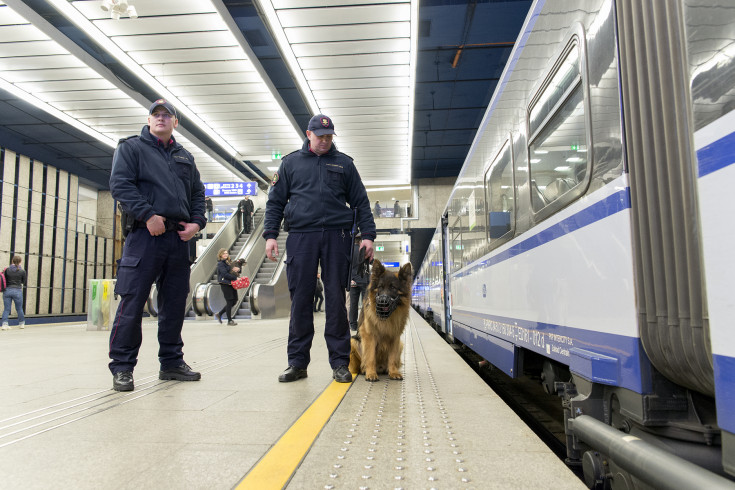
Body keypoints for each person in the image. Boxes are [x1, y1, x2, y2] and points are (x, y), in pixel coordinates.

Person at [263, 113, 376, 384]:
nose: (325, 141)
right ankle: (297, 363)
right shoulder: (290, 163)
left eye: (328, 136)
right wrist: (270, 235)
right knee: (301, 299)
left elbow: (360, 201)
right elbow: (275, 202)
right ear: (308, 134)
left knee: (336, 299)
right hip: (302, 236)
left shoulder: (344, 164)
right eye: (320, 136)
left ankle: (340, 363)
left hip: (337, 237)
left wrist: (368, 235)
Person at [108, 98, 206, 392]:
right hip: (145, 237)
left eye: (167, 115)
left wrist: (197, 223)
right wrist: (148, 215)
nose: (161, 118)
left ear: (176, 123)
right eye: (156, 115)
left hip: (178, 239)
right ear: (149, 120)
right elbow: (120, 185)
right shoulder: (131, 148)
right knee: (132, 301)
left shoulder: (185, 157)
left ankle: (171, 362)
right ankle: (123, 368)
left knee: (175, 304)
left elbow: (198, 193)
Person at [348, 235, 370, 331]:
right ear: (360, 241)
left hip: (353, 281)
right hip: (364, 280)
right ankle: (364, 323)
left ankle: (353, 325)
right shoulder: (363, 250)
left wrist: (350, 279)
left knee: (353, 303)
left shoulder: (349, 250)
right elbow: (371, 261)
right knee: (366, 303)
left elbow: (346, 267)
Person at [215, 249, 240, 326]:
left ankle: (220, 314)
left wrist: (238, 270)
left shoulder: (229, 262)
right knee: (229, 301)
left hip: (231, 283)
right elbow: (225, 274)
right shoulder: (220, 264)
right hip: (225, 284)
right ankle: (229, 320)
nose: (226, 255)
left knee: (235, 300)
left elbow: (232, 271)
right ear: (220, 255)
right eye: (224, 254)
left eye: (226, 253)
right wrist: (235, 278)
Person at [1, 255, 26, 330]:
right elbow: (23, 281)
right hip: (17, 290)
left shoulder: (7, 270)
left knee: (6, 309)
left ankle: (4, 324)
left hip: (7, 290)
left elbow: (4, 279)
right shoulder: (22, 271)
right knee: (19, 308)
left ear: (12, 261)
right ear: (20, 262)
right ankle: (21, 324)